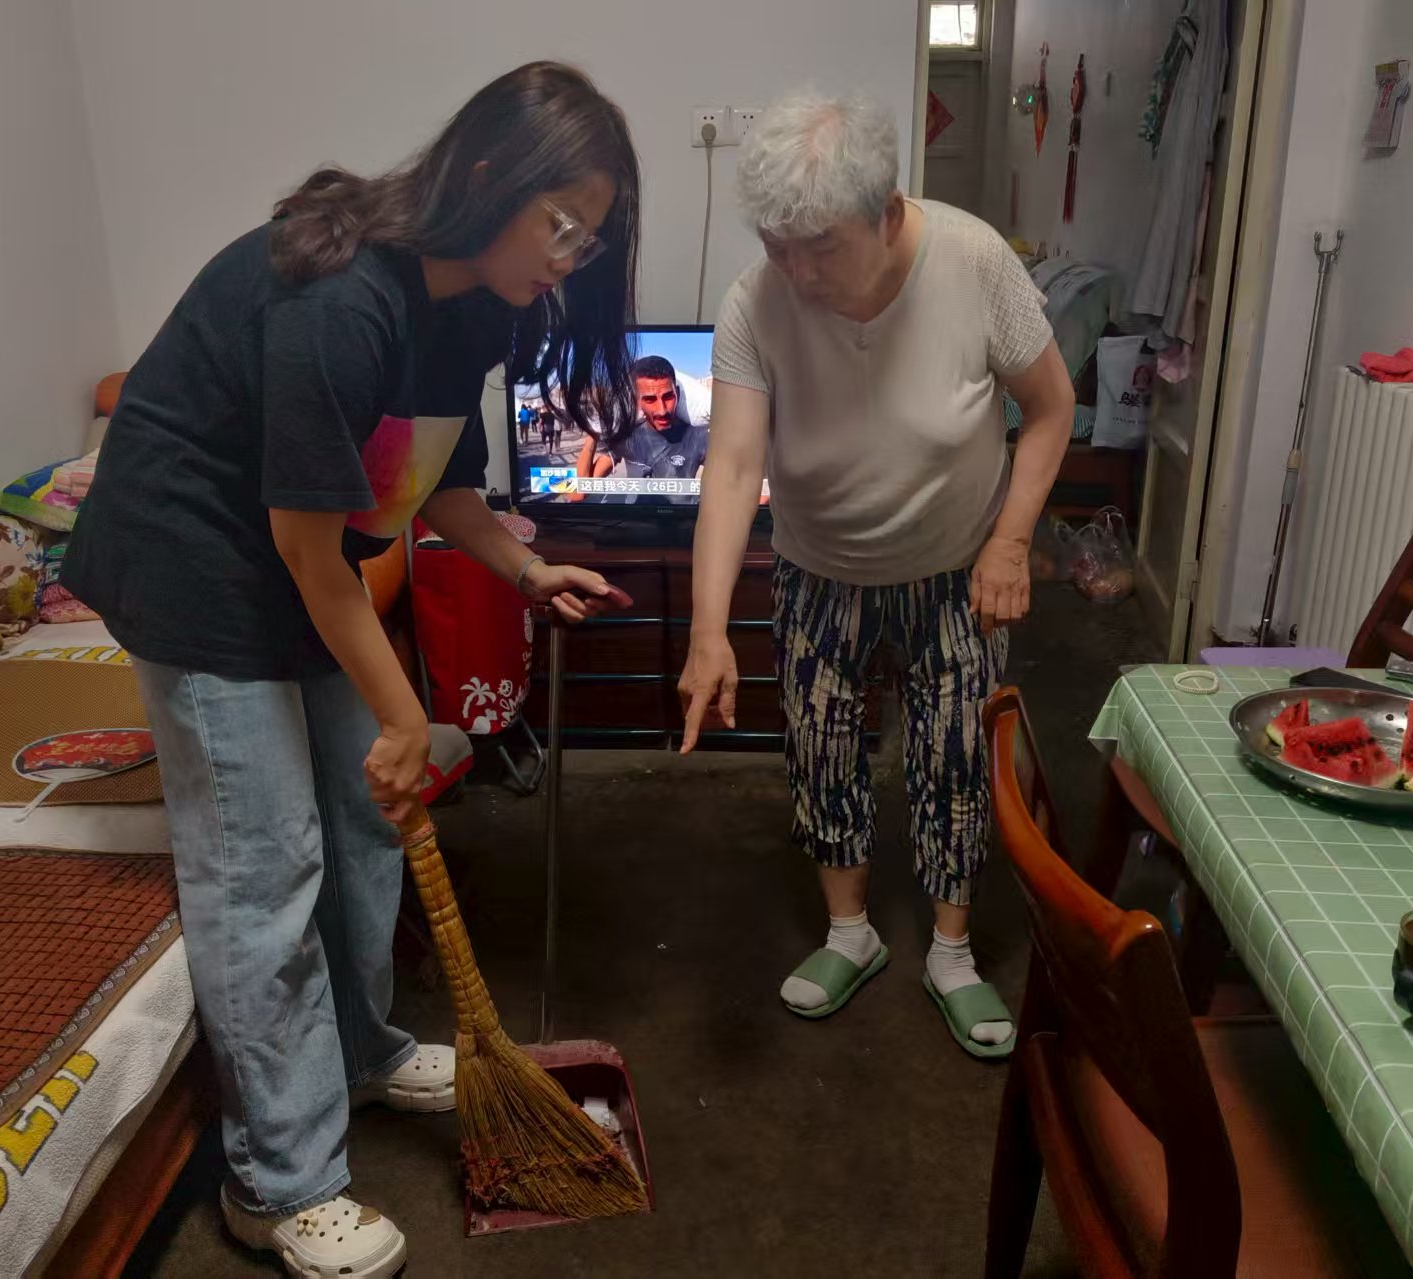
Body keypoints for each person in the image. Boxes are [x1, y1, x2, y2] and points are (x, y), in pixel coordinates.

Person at [63, 62, 641, 1279]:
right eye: (560, 223)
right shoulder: (336, 300)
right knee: (265, 863)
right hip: (193, 568)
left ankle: (362, 1052)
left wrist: (522, 570)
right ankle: (276, 1183)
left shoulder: (474, 308)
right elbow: (309, 554)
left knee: (364, 819)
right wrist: (404, 717)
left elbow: (435, 483)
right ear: (485, 173)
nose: (569, 258)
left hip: (294, 557)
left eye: (587, 238)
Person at [678, 91, 1073, 1058]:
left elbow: (1051, 408)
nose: (799, 272)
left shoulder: (974, 263)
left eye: (821, 247)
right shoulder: (755, 301)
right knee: (820, 749)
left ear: (888, 214)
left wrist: (1011, 541)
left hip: (954, 568)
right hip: (819, 569)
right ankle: (849, 931)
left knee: (954, 755)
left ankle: (953, 951)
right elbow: (732, 467)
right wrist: (708, 629)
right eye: (778, 247)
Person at [576, 355, 710, 496]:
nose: (662, 410)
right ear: (636, 400)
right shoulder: (628, 438)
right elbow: (578, 494)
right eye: (650, 399)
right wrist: (594, 431)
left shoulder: (698, 437)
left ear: (677, 393)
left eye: (668, 397)